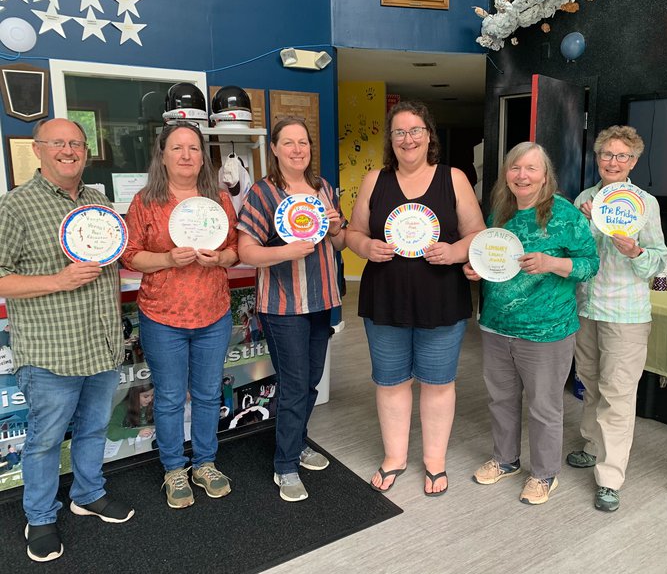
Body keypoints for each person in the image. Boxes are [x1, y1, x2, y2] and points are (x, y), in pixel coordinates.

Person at [0, 118, 134, 563]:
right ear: (37, 150)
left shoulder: (99, 203)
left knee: (94, 428)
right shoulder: (15, 207)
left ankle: (88, 493)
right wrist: (57, 280)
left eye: (76, 143)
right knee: (44, 439)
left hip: (100, 344)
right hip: (50, 352)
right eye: (58, 142)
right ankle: (39, 517)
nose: (68, 150)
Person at [346, 101, 484, 496]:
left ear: (429, 136)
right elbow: (353, 233)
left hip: (441, 299)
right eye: (399, 132)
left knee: (439, 383)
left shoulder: (453, 178)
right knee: (391, 383)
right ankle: (395, 458)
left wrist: (456, 252)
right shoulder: (375, 180)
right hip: (385, 299)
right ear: (391, 140)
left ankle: (435, 462)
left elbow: (477, 232)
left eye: (415, 130)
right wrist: (366, 246)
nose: (408, 139)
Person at [465, 142, 599, 504]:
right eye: (515, 168)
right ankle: (505, 460)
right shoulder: (499, 213)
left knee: (544, 407)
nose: (522, 176)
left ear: (545, 176)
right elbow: (494, 261)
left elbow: (590, 264)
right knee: (501, 399)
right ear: (507, 174)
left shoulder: (565, 215)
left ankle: (544, 475)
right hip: (495, 326)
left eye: (531, 169)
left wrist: (552, 263)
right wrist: (476, 270)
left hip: (547, 332)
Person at [121, 122, 238, 509]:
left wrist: (220, 257)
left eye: (193, 148)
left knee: (206, 394)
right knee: (170, 398)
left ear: (203, 156)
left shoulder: (218, 199)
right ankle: (174, 468)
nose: (186, 155)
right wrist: (167, 259)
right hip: (162, 317)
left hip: (213, 314)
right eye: (177, 148)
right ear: (163, 156)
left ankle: (205, 463)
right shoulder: (145, 201)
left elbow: (235, 249)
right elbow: (130, 253)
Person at [238, 117, 345, 502]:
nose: (297, 149)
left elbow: (340, 243)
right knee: (294, 384)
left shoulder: (323, 188)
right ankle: (285, 465)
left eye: (303, 142)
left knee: (311, 381)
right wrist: (285, 251)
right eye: (289, 143)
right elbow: (245, 251)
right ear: (275, 149)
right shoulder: (262, 194)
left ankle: (298, 444)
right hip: (283, 306)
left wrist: (334, 227)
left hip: (322, 300)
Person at [567, 125, 667, 512]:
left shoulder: (646, 204)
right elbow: (575, 254)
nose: (613, 162)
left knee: (618, 394)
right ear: (597, 159)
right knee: (590, 383)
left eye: (622, 156)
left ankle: (610, 477)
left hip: (626, 313)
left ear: (634, 161)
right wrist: (587, 226)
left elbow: (661, 265)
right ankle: (592, 446)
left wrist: (634, 251)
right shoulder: (584, 199)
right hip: (586, 307)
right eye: (606, 155)